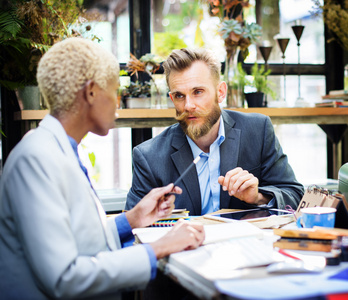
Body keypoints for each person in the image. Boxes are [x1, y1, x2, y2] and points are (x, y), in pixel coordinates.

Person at [0, 38, 205, 300]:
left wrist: (132, 219)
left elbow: (78, 242)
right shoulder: (35, 159)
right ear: (91, 93)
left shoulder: (58, 150)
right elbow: (65, 278)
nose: (118, 103)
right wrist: (158, 248)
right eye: (115, 91)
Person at [126, 48, 304, 215]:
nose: (188, 105)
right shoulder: (148, 157)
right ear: (172, 98)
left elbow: (296, 196)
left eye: (198, 92)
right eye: (180, 96)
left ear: (220, 92)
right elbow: (132, 225)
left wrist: (258, 197)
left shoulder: (258, 130)